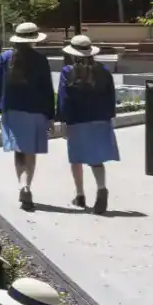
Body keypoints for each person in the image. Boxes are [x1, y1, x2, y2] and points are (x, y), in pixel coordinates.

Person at [0, 21, 56, 211]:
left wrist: (1, 107)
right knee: (30, 152)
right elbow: (47, 89)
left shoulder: (5, 58)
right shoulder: (40, 60)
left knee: (18, 151)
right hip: (36, 110)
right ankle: (27, 184)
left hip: (12, 109)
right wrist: (51, 115)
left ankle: (22, 185)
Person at [55, 35, 118, 214]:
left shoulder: (68, 72)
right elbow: (110, 96)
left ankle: (80, 194)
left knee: (76, 158)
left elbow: (63, 98)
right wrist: (110, 116)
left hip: (77, 119)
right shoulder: (104, 71)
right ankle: (101, 187)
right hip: (100, 119)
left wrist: (62, 120)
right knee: (96, 159)